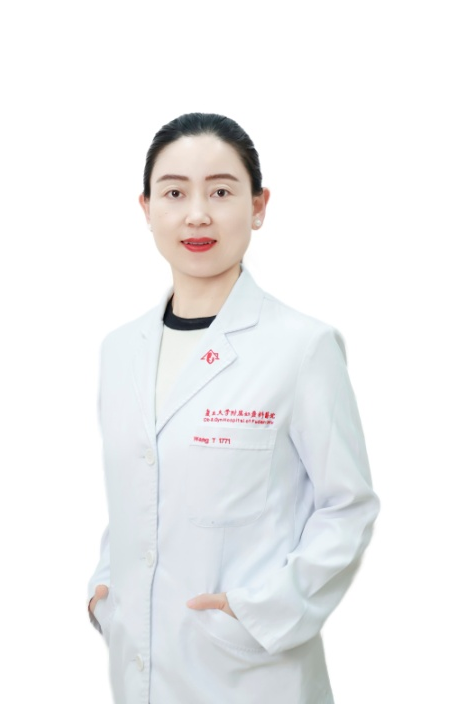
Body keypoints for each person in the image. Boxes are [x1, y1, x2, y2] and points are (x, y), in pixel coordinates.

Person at [87, 112, 380, 704]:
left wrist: (261, 612)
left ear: (259, 206)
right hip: (139, 664)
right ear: (146, 208)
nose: (197, 214)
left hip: (254, 673)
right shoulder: (120, 350)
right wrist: (105, 587)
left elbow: (347, 506)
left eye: (221, 192)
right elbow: (140, 489)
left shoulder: (302, 347)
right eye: (174, 193)